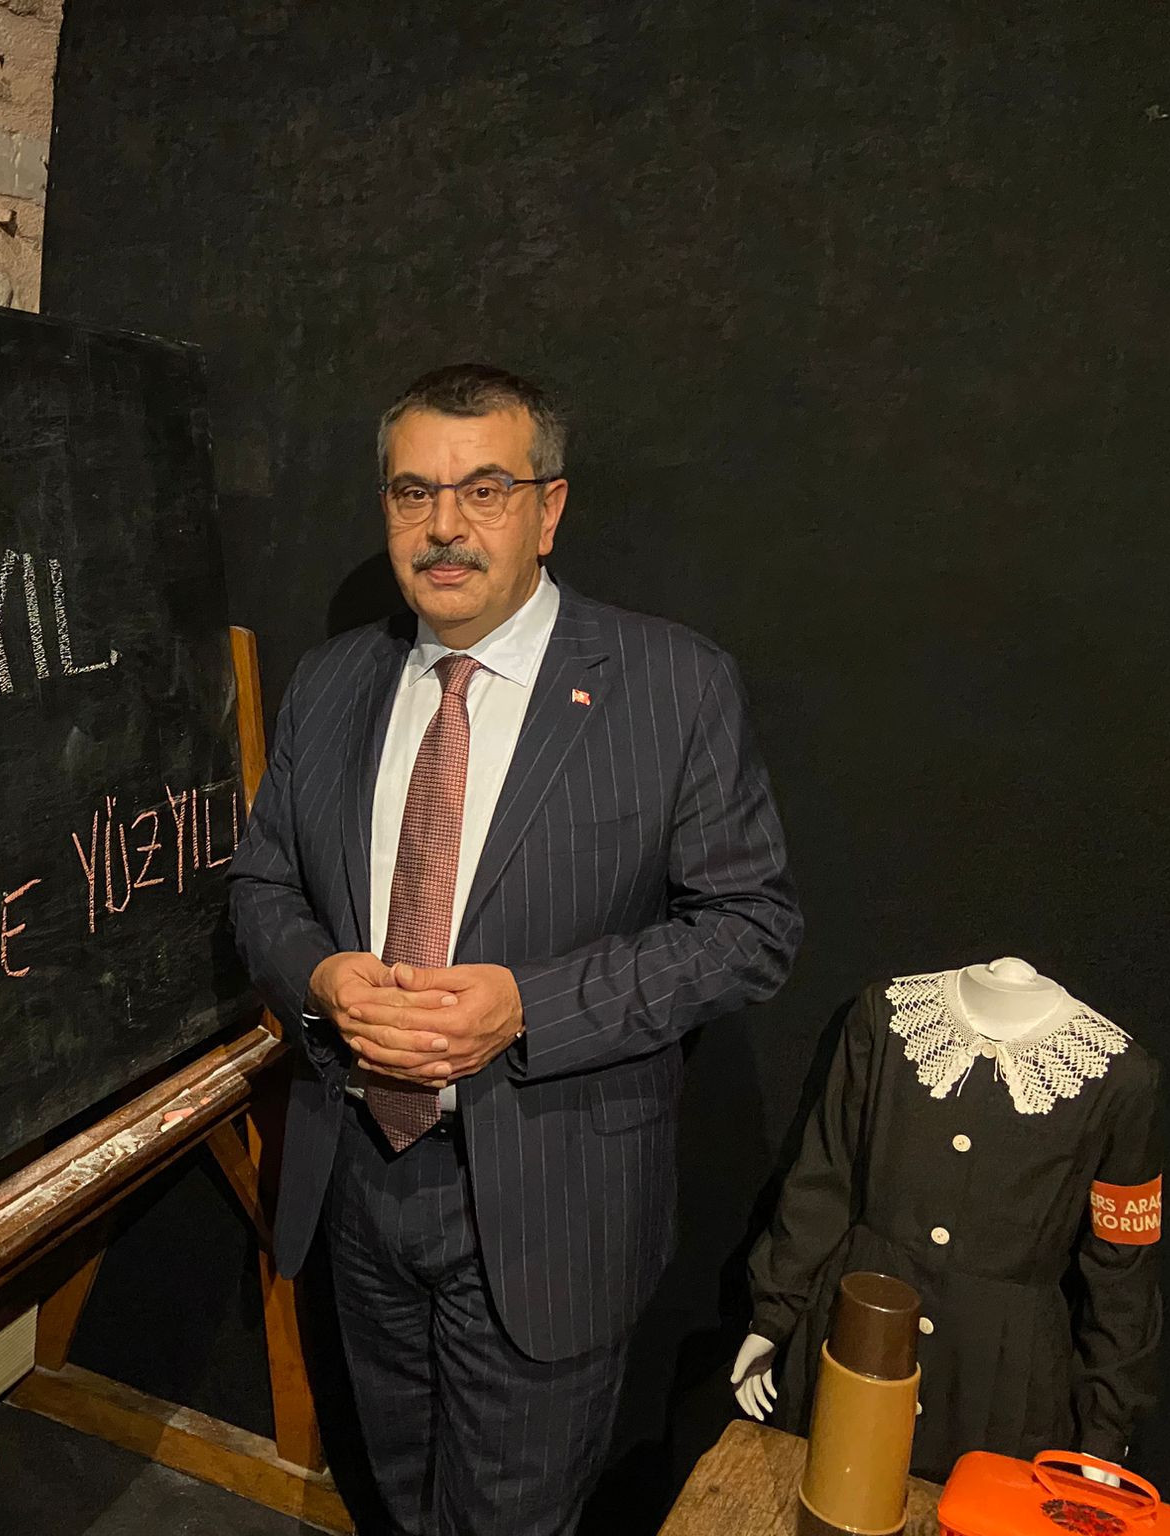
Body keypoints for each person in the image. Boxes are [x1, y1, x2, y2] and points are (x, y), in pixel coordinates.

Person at [228, 363, 802, 1534]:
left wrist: (528, 1007)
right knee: (393, 1499)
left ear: (548, 510)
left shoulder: (670, 685)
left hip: (550, 1201)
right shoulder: (331, 683)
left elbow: (749, 930)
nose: (442, 526)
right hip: (358, 1184)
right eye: (412, 493)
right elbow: (261, 884)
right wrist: (321, 978)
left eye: (483, 490)